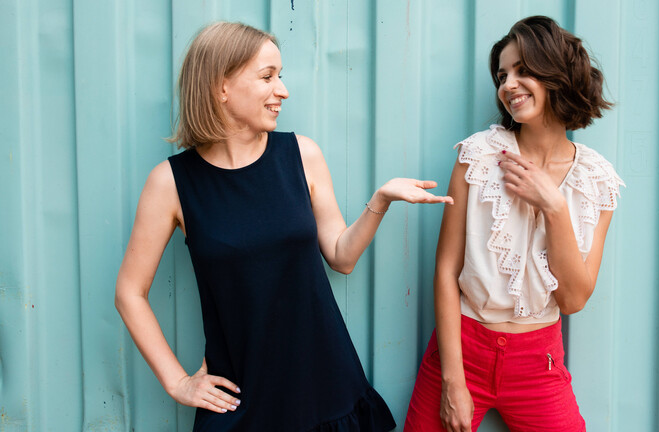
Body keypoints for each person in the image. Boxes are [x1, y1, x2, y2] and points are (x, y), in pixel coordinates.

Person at [115, 21, 452, 431]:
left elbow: (341, 257)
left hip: (324, 386)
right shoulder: (170, 183)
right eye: (267, 77)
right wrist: (179, 382)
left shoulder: (301, 154)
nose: (283, 90)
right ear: (221, 87)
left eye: (281, 75)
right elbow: (130, 293)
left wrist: (380, 201)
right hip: (241, 399)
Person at [403, 16, 624, 432]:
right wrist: (453, 382)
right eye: (503, 75)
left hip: (538, 362)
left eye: (523, 70)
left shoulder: (598, 180)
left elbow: (575, 299)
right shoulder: (479, 155)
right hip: (460, 350)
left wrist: (555, 208)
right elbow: (447, 270)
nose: (508, 85)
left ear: (558, 74)